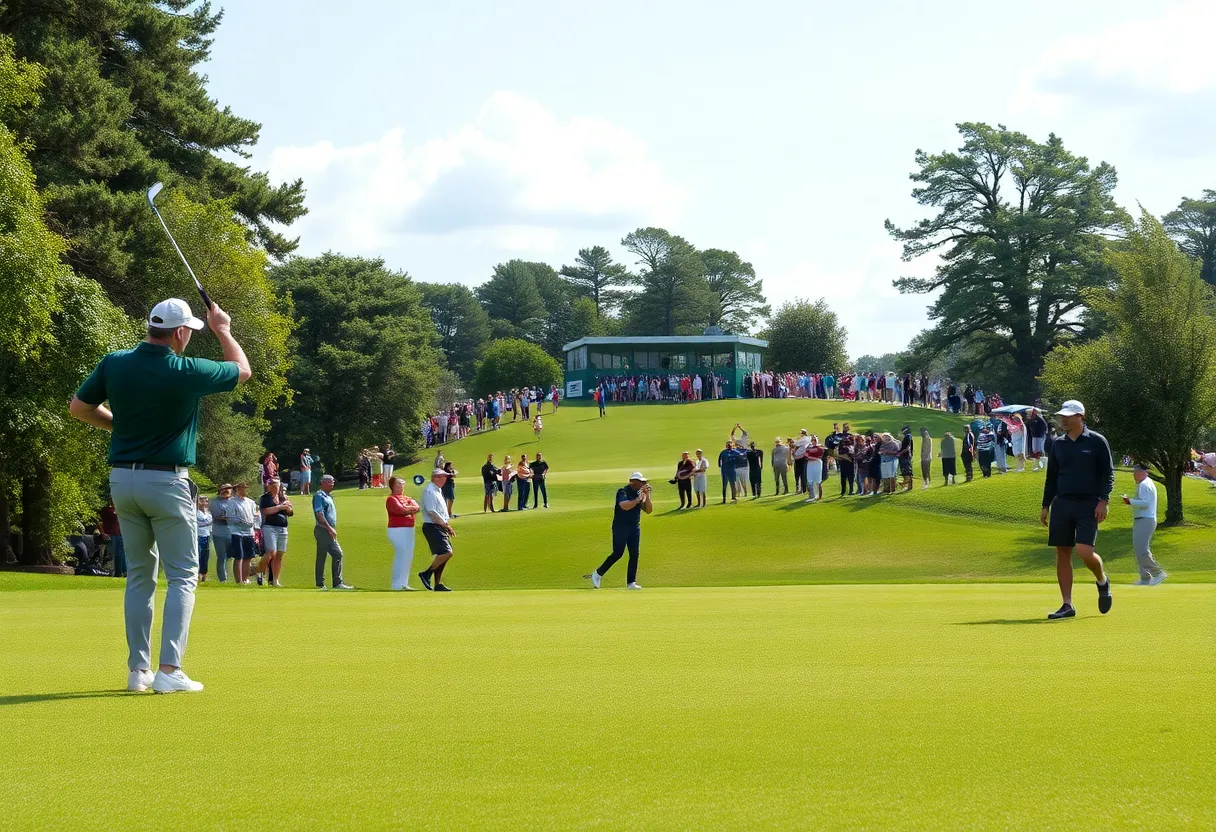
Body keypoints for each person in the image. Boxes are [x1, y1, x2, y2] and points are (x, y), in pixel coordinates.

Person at [70, 296, 251, 693]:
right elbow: (242, 370)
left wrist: (124, 431)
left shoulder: (114, 362)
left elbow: (80, 408)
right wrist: (223, 328)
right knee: (184, 575)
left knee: (139, 576)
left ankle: (139, 671)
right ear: (181, 332)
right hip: (166, 483)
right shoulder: (184, 369)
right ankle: (169, 670)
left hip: (122, 481)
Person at [1041, 400, 1114, 619]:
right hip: (1062, 503)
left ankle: (1102, 580)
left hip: (1088, 503)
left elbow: (1107, 474)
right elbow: (1051, 477)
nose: (1063, 419)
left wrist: (1104, 501)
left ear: (1081, 417)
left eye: (1068, 416)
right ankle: (1067, 605)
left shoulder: (1097, 441)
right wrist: (1046, 505)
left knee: (1084, 551)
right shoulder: (1058, 444)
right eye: (1062, 416)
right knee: (1062, 552)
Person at [587, 472, 653, 589]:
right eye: (640, 482)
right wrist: (638, 499)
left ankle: (631, 582)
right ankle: (597, 574)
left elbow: (648, 510)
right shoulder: (623, 491)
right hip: (620, 526)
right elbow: (624, 506)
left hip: (634, 527)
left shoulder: (640, 494)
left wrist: (647, 496)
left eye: (643, 482)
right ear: (632, 481)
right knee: (618, 553)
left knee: (634, 554)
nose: (643, 484)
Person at [1124, 463, 1167, 585]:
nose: (1134, 475)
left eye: (1135, 473)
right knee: (1139, 549)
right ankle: (1145, 578)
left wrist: (1129, 501)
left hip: (1145, 519)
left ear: (1143, 473)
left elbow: (1145, 503)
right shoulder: (1146, 483)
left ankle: (1157, 573)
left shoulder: (1144, 484)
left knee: (1141, 550)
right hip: (1143, 519)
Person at [418, 468, 457, 591]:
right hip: (433, 525)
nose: (445, 479)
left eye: (445, 477)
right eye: (443, 477)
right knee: (447, 552)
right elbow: (432, 512)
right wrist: (446, 526)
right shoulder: (429, 491)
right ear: (436, 478)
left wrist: (445, 524)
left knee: (443, 555)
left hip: (440, 525)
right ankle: (426, 574)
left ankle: (438, 584)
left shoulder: (437, 490)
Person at [313, 475, 353, 590]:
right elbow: (319, 514)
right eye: (330, 482)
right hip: (322, 529)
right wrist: (329, 528)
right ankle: (320, 584)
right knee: (322, 556)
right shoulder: (319, 496)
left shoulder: (329, 496)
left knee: (337, 554)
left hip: (327, 530)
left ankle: (337, 583)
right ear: (323, 483)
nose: (333, 484)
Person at [386, 476, 421, 590]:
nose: (402, 485)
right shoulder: (391, 499)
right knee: (402, 554)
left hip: (409, 528)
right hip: (397, 529)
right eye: (400, 483)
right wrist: (409, 508)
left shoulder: (407, 498)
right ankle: (396, 584)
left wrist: (408, 508)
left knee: (408, 556)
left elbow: (417, 507)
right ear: (394, 485)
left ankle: (403, 583)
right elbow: (401, 510)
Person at [257, 478, 293, 587]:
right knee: (271, 552)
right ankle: (259, 572)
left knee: (279, 554)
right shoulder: (265, 498)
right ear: (268, 486)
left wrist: (287, 507)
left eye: (275, 485)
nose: (273, 487)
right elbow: (267, 511)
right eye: (271, 485)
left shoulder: (283, 497)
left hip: (282, 528)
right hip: (269, 527)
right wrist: (281, 507)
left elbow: (290, 513)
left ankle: (274, 580)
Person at [228, 482, 258, 584]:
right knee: (239, 556)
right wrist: (243, 521)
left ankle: (245, 580)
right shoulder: (232, 502)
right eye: (242, 488)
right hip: (237, 532)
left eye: (245, 488)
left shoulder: (251, 502)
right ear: (237, 490)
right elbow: (231, 517)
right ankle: (239, 581)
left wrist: (255, 527)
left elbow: (255, 516)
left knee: (248, 557)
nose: (244, 490)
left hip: (249, 532)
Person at [209, 484, 233, 583]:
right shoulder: (214, 502)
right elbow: (216, 516)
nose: (225, 491)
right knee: (221, 556)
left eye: (228, 489)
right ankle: (223, 579)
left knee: (230, 556)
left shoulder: (234, 501)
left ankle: (230, 577)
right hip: (218, 531)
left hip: (232, 532)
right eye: (223, 489)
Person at [99, 497, 125, 578]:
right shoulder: (107, 511)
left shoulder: (120, 510)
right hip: (111, 535)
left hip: (120, 535)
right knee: (115, 554)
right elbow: (99, 523)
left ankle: (122, 572)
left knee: (121, 554)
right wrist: (103, 533)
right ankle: (116, 572)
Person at [196, 496, 212, 583]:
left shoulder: (209, 513)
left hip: (207, 535)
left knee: (205, 556)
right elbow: (198, 524)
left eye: (206, 501)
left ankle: (204, 575)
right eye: (201, 500)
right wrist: (210, 522)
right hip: (198, 536)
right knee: (198, 555)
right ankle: (197, 575)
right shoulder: (195, 512)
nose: (204, 502)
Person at [803, 436, 824, 503]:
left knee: (818, 480)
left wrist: (810, 455)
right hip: (811, 464)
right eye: (812, 440)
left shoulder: (820, 448)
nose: (813, 442)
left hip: (817, 463)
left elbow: (819, 453)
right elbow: (806, 455)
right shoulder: (809, 448)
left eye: (814, 440)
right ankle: (812, 496)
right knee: (810, 480)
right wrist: (811, 456)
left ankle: (819, 496)